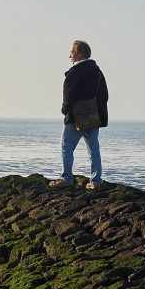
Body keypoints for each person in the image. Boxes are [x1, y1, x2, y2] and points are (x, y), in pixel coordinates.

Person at [50, 39, 109, 190]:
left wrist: (65, 110)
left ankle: (67, 178)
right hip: (93, 116)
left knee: (66, 147)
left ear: (80, 54)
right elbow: (105, 95)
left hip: (75, 118)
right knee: (93, 149)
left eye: (72, 52)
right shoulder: (97, 71)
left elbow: (68, 95)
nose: (70, 55)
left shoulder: (75, 72)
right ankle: (95, 181)